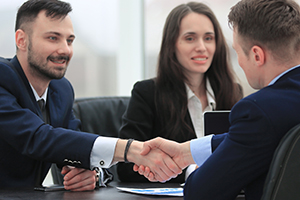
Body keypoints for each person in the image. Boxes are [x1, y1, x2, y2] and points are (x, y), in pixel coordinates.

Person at [0, 0, 181, 190]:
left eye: (69, 40)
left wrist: (93, 174)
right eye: (53, 38)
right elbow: (38, 138)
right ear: (21, 40)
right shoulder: (3, 78)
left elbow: (72, 145)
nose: (65, 50)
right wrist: (128, 149)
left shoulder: (61, 90)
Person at [135, 0, 300, 199]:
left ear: (256, 55)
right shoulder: (279, 108)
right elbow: (259, 136)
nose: (238, 61)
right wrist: (185, 152)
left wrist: (191, 167)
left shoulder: (259, 109)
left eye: (238, 52)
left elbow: (201, 192)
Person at [117, 2, 243, 183]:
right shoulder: (147, 93)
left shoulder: (231, 92)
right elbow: (126, 167)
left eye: (208, 38)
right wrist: (192, 170)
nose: (201, 47)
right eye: (190, 38)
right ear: (172, 45)